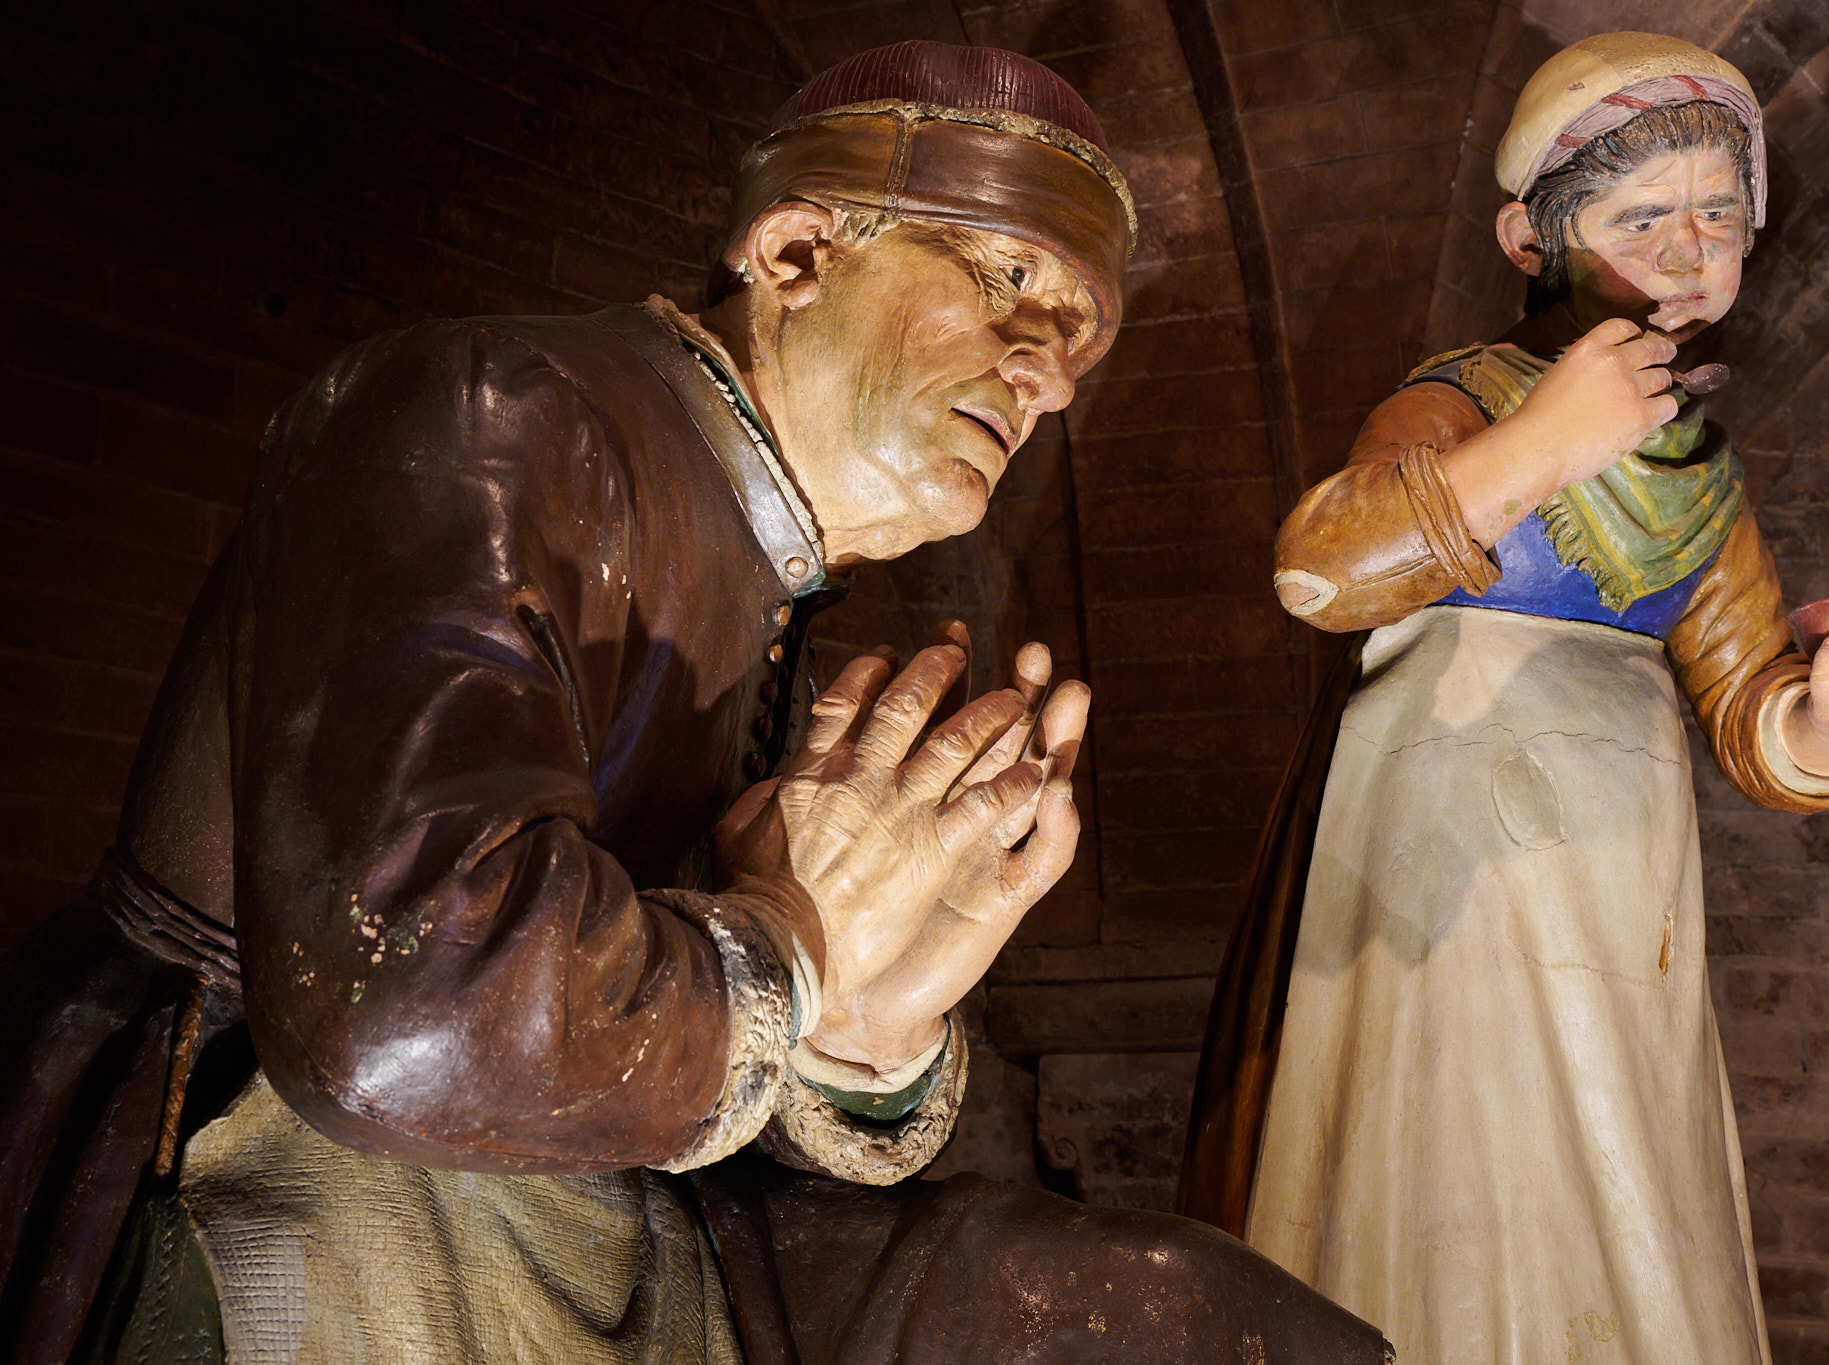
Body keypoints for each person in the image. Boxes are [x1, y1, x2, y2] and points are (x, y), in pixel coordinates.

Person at [0, 41, 1393, 1365]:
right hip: (298, 1143)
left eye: (1077, 331)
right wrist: (796, 940)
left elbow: (729, 1045)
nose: (1047, 371)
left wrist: (872, 1027)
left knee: (1198, 1320)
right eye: (1008, 276)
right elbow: (404, 1017)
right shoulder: (488, 411)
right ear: (795, 253)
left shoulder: (783, 587)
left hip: (618, 1196)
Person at [1179, 31, 1829, 1363]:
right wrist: (1541, 445)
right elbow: (1325, 567)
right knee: (1457, 1173)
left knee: (1619, 1184)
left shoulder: (1697, 467)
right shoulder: (1463, 399)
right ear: (1528, 236)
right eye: (1641, 216)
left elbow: (1746, 705)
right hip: (1452, 865)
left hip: (1618, 877)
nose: (1687, 247)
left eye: (1718, 215)